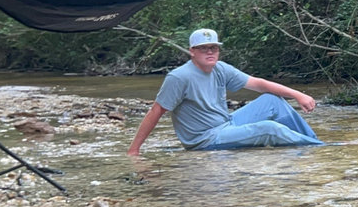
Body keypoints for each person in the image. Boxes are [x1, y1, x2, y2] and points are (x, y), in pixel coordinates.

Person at [127, 29, 324, 156]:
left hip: (226, 124)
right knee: (268, 129)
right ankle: (316, 149)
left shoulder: (220, 68)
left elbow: (258, 83)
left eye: (213, 47)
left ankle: (313, 143)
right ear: (192, 51)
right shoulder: (179, 78)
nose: (210, 52)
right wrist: (134, 150)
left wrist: (298, 94)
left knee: (272, 101)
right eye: (203, 48)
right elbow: (156, 111)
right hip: (205, 140)